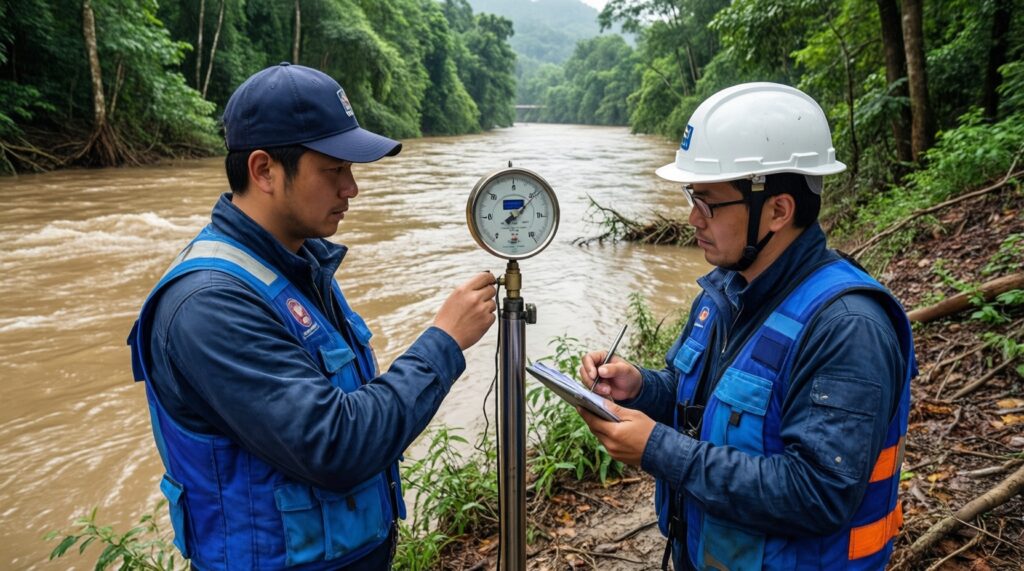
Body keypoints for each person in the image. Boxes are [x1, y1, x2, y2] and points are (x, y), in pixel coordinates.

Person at [127, 63, 497, 570]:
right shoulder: (208, 304)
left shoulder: (299, 262)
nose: (352, 189)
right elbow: (337, 445)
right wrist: (444, 340)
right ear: (264, 171)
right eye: (334, 170)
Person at [576, 83, 916, 571]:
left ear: (778, 210)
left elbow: (819, 493)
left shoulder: (848, 328)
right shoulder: (725, 292)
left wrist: (658, 450)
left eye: (708, 202)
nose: (692, 218)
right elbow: (695, 401)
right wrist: (641, 387)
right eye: (692, 197)